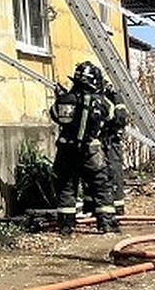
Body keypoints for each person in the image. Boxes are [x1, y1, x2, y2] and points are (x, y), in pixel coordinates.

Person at [50, 61, 119, 235]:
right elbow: (113, 118)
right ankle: (106, 224)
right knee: (101, 185)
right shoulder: (103, 102)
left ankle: (66, 226)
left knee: (67, 187)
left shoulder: (66, 99)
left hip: (66, 149)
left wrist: (61, 97)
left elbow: (55, 115)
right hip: (91, 150)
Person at [101, 85, 129, 216]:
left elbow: (119, 119)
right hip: (109, 141)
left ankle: (116, 207)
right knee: (110, 173)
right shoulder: (114, 99)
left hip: (110, 141)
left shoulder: (109, 101)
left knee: (113, 172)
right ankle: (115, 207)